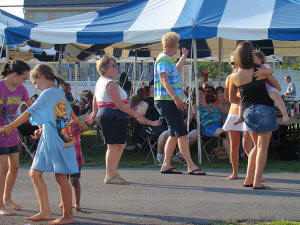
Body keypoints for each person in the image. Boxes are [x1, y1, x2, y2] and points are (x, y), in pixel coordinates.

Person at [0, 64, 78, 224]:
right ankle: (45, 211)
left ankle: (67, 215)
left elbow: (30, 111)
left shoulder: (49, 93)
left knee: (60, 177)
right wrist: (42, 129)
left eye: (34, 83)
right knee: (36, 174)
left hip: (57, 139)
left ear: (42, 77)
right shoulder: (57, 92)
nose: (35, 87)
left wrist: (9, 127)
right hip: (55, 137)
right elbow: (59, 117)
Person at [86, 56, 144, 184]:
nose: (116, 68)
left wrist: (95, 111)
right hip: (112, 115)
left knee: (120, 145)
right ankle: (109, 174)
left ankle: (113, 171)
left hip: (112, 115)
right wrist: (134, 114)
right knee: (114, 146)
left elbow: (95, 97)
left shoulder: (103, 81)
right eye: (113, 65)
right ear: (105, 68)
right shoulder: (109, 83)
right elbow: (118, 104)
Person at [154, 31, 205, 175]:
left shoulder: (168, 59)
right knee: (181, 132)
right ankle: (190, 165)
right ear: (173, 44)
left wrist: (183, 57)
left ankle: (166, 164)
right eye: (177, 43)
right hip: (167, 101)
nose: (178, 45)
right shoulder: (163, 59)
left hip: (169, 101)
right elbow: (164, 80)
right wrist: (176, 98)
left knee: (174, 134)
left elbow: (175, 71)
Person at [229, 41, 278, 189]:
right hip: (264, 109)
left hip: (247, 111)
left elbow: (231, 99)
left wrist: (246, 99)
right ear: (251, 54)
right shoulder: (260, 69)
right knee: (262, 147)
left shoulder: (234, 76)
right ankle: (256, 181)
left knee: (255, 147)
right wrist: (267, 72)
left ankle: (248, 179)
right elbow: (277, 87)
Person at [0, 60, 32, 216]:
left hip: (12, 133)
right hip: (0, 133)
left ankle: (7, 198)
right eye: (24, 78)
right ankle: (0, 204)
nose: (25, 81)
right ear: (14, 75)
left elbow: (30, 107)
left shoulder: (22, 89)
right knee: (3, 168)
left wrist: (35, 122)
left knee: (15, 166)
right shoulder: (0, 87)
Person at [234, 50, 289, 124]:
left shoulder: (263, 66)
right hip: (254, 93)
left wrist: (263, 71)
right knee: (242, 98)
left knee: (275, 95)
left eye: (253, 59)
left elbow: (271, 70)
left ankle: (284, 114)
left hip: (267, 87)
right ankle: (240, 117)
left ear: (260, 60)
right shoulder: (246, 69)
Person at [223, 53, 252, 180]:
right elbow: (228, 97)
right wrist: (240, 99)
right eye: (232, 63)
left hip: (247, 111)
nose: (233, 65)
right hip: (234, 112)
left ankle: (254, 172)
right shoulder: (230, 77)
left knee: (247, 144)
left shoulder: (250, 74)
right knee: (234, 145)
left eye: (235, 62)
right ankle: (235, 171)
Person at [58, 105, 88, 212]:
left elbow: (85, 128)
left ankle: (77, 202)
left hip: (76, 157)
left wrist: (76, 120)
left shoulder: (77, 123)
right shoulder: (61, 124)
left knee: (75, 181)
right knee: (63, 181)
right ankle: (64, 201)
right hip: (63, 156)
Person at [188, 87, 230, 158]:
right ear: (194, 97)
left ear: (204, 94)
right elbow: (188, 121)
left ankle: (237, 157)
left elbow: (222, 116)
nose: (200, 96)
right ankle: (231, 159)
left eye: (201, 93)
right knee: (224, 134)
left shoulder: (212, 105)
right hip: (207, 128)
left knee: (231, 133)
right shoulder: (195, 107)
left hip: (220, 126)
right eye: (197, 95)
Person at [136, 79, 167, 164]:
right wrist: (152, 123)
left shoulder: (164, 101)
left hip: (164, 125)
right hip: (150, 127)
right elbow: (139, 118)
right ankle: (160, 156)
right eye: (157, 86)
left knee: (177, 130)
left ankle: (178, 155)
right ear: (151, 88)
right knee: (166, 133)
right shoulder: (145, 102)